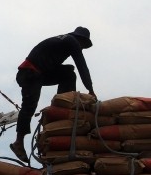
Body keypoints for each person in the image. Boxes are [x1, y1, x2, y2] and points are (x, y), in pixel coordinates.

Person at [10, 27, 96, 162]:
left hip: (41, 72)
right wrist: (90, 90)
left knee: (68, 73)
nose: (82, 49)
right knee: (29, 106)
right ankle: (18, 142)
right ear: (81, 40)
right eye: (83, 46)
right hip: (30, 73)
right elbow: (82, 65)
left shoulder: (64, 40)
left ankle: (62, 106)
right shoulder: (72, 41)